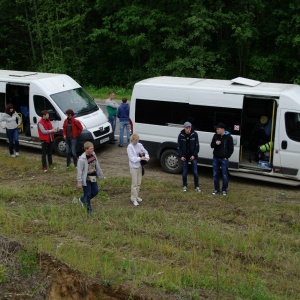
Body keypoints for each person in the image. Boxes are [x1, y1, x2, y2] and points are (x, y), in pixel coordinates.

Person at [77, 141, 104, 215]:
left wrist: (100, 173)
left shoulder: (93, 154)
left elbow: (97, 165)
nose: (92, 150)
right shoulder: (82, 159)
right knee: (88, 194)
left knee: (95, 191)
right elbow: (79, 171)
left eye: (93, 148)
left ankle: (83, 199)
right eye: (91, 149)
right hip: (86, 178)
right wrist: (79, 182)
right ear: (86, 149)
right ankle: (89, 210)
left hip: (92, 176)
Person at [210, 123, 234, 196]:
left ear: (223, 129)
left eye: (218, 129)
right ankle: (216, 189)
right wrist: (215, 143)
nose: (217, 130)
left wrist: (227, 156)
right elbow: (211, 145)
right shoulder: (215, 136)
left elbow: (231, 149)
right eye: (216, 129)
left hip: (224, 159)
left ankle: (224, 189)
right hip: (216, 157)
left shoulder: (229, 137)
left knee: (224, 175)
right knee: (215, 174)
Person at [177, 121, 201, 192]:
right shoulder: (181, 135)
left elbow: (197, 146)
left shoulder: (195, 134)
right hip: (185, 157)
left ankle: (197, 186)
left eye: (189, 127)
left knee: (195, 172)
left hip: (193, 156)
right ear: (184, 128)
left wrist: (194, 155)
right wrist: (181, 156)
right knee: (184, 172)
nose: (188, 129)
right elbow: (179, 146)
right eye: (187, 127)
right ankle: (184, 185)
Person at [127, 133, 149, 206]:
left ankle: (136, 196)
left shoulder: (140, 145)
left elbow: (145, 152)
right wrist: (140, 158)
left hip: (139, 166)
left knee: (139, 183)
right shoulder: (129, 147)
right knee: (134, 184)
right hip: (133, 167)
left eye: (137, 140)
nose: (137, 141)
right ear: (132, 140)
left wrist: (146, 157)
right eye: (135, 140)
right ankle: (133, 198)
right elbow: (132, 158)